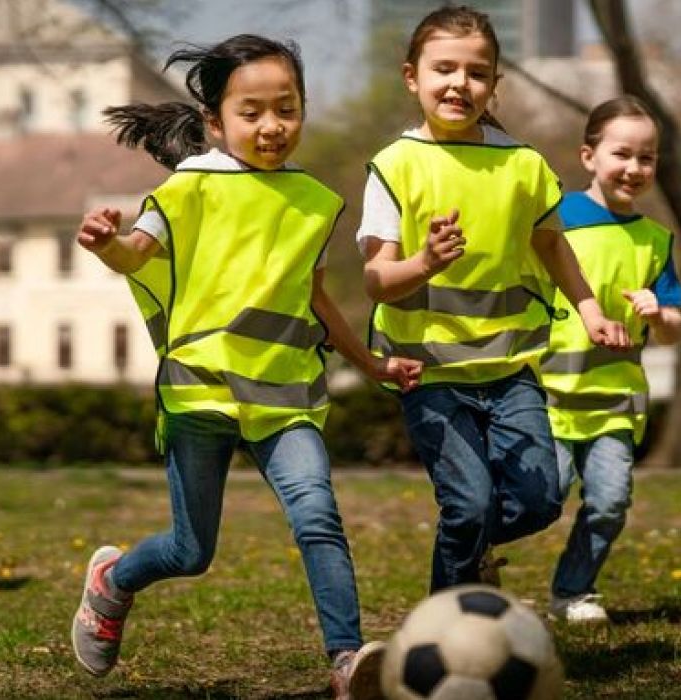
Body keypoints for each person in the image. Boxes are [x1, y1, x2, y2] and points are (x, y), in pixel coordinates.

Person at [67, 34, 418, 699]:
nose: (272, 126)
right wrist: (106, 243)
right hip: (200, 395)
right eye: (251, 112)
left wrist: (371, 365)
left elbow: (313, 299)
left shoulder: (313, 202)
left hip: (286, 396)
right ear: (214, 123)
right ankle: (112, 582)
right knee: (190, 552)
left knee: (318, 515)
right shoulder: (190, 187)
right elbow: (138, 255)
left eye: (286, 109)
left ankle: (346, 663)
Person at [358, 5, 631, 594]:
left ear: (494, 84)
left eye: (477, 72)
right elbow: (376, 280)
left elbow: (553, 247)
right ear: (412, 77)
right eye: (444, 69)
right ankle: (443, 624)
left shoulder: (524, 165)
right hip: (429, 375)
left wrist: (590, 309)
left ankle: (467, 546)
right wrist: (424, 263)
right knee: (470, 505)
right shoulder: (394, 166)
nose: (460, 83)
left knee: (541, 503)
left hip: (510, 372)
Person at [542, 96, 681, 625]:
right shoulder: (554, 222)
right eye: (622, 153)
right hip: (549, 396)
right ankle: (479, 558)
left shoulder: (655, 240)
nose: (634, 168)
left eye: (647, 158)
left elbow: (672, 334)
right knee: (540, 500)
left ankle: (573, 592)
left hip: (613, 407)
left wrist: (659, 312)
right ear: (588, 156)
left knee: (608, 503)